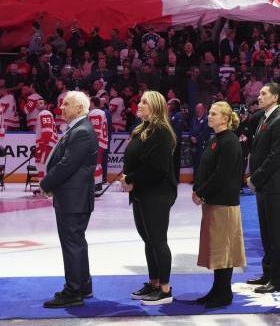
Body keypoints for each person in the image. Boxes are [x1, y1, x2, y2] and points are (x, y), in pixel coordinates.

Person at [40, 91, 98, 308]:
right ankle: (83, 285)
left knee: (72, 244)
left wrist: (46, 183)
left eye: (66, 104)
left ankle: (73, 291)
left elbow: (67, 165)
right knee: (76, 243)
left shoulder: (82, 131)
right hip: (73, 197)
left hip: (74, 199)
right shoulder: (78, 129)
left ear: (80, 109)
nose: (61, 108)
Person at [121, 90, 178, 305]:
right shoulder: (141, 129)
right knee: (148, 240)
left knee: (158, 240)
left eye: (144, 102)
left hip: (157, 193)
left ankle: (164, 289)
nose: (139, 104)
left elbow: (158, 169)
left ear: (154, 107)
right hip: (141, 193)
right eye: (140, 100)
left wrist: (131, 178)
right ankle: (154, 282)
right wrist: (128, 178)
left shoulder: (161, 132)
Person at [192, 101, 246, 308]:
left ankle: (224, 293)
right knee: (217, 248)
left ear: (225, 118)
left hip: (223, 202)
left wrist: (202, 193)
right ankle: (217, 289)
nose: (209, 116)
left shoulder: (229, 141)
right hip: (215, 201)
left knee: (224, 250)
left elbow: (222, 175)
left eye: (214, 114)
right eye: (210, 113)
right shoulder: (217, 139)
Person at [246, 83, 280, 293]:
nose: (259, 96)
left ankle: (277, 278)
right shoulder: (265, 118)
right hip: (266, 184)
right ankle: (268, 273)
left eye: (264, 93)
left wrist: (255, 177)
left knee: (276, 234)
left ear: (275, 98)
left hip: (275, 185)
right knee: (266, 232)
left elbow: (275, 157)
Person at [88, 97, 108, 195]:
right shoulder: (101, 112)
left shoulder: (94, 113)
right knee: (98, 164)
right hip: (102, 141)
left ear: (92, 102)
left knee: (95, 164)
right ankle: (98, 184)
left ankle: (96, 185)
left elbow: (95, 130)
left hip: (96, 142)